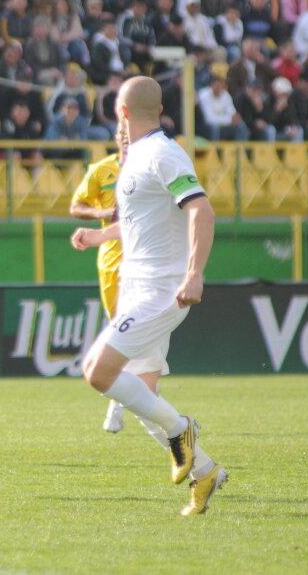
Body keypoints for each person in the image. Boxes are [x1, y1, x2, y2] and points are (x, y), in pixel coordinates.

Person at [71, 76, 226, 517]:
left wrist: (194, 274)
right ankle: (205, 472)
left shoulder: (161, 153)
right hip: (138, 287)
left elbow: (202, 210)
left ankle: (183, 430)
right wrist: (102, 234)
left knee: (97, 371)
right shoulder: (138, 156)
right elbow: (145, 220)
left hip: (161, 291)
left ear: (120, 113)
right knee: (141, 396)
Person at [70, 126, 127, 434]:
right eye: (122, 132)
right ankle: (130, 399)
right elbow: (76, 206)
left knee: (136, 332)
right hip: (113, 261)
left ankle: (124, 402)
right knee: (120, 327)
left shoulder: (156, 166)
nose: (127, 136)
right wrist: (106, 211)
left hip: (148, 259)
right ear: (117, 138)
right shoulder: (101, 170)